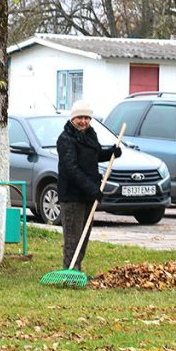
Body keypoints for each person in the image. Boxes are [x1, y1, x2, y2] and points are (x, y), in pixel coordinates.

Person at [56, 99, 121, 272]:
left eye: (87, 118)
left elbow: (95, 154)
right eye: (80, 118)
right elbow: (72, 169)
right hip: (72, 196)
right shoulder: (65, 139)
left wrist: (111, 153)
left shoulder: (90, 134)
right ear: (72, 119)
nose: (83, 121)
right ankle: (70, 271)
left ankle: (77, 270)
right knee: (73, 238)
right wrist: (93, 189)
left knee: (84, 237)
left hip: (88, 196)